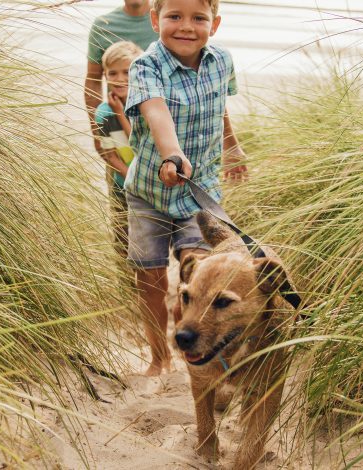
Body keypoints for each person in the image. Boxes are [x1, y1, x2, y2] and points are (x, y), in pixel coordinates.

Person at [123, 0, 247, 376]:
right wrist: (172, 154)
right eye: (174, 16)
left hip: (201, 189)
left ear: (216, 23)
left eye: (199, 18)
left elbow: (217, 105)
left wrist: (232, 144)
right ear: (156, 18)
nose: (186, 27)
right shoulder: (146, 66)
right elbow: (156, 110)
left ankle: (205, 349)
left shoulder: (221, 60)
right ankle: (159, 357)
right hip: (150, 192)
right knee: (150, 277)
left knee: (200, 277)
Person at [85, 0, 157, 159]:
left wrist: (226, 139)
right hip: (115, 125)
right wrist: (97, 133)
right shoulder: (103, 25)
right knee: (118, 180)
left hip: (155, 125)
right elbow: (92, 80)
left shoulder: (164, 20)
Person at [94, 41, 144, 260]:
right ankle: (126, 285)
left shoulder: (147, 106)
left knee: (148, 238)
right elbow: (109, 154)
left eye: (127, 72)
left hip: (150, 183)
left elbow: (140, 142)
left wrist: (121, 113)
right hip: (121, 184)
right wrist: (127, 175)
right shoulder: (104, 113)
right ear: (105, 76)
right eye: (112, 73)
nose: (120, 78)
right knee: (123, 235)